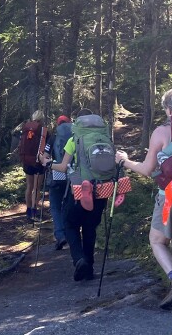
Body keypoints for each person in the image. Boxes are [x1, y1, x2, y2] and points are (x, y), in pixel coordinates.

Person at [115, 88, 172, 312]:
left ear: (169, 110)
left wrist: (125, 161)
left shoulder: (162, 131)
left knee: (157, 241)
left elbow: (148, 169)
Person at [39, 111, 107, 282]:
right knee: (90, 228)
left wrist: (48, 164)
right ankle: (89, 269)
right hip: (101, 190)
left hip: (80, 191)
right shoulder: (103, 137)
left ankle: (79, 260)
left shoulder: (73, 140)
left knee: (70, 224)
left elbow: (63, 167)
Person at [43, 115, 72, 250]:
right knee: (70, 205)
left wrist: (45, 161)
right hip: (73, 176)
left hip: (57, 174)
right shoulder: (75, 137)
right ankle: (72, 235)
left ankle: (60, 236)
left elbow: (45, 157)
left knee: (55, 206)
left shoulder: (53, 137)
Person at [18, 110, 48, 222]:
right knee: (36, 187)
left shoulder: (25, 128)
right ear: (42, 118)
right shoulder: (44, 130)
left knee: (29, 186)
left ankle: (29, 211)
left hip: (27, 160)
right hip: (38, 161)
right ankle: (35, 212)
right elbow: (46, 147)